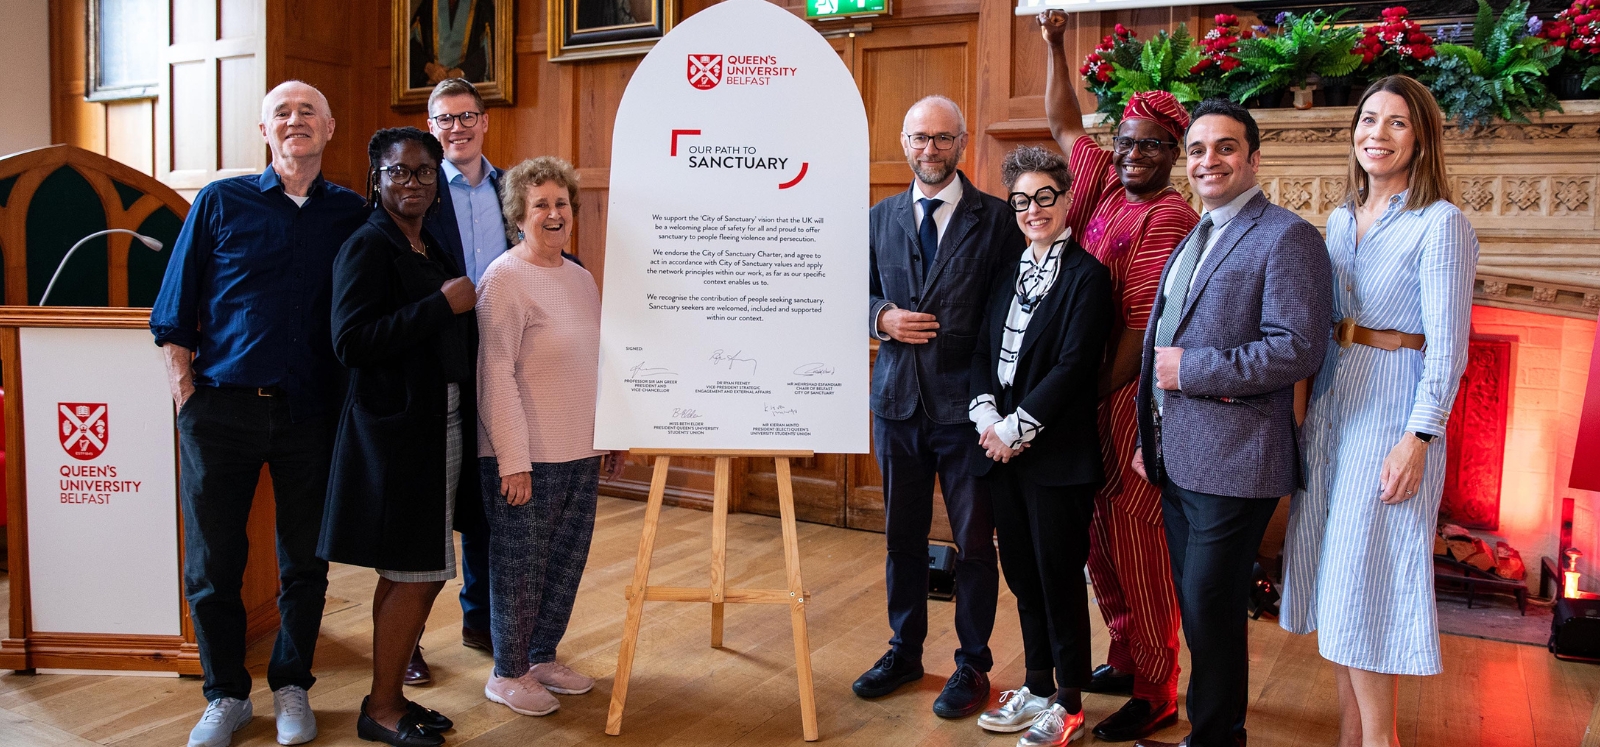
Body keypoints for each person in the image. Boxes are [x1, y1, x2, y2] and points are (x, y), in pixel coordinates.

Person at [151, 80, 367, 747]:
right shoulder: (220, 201)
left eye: (308, 111)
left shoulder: (352, 214)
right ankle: (226, 695)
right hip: (219, 409)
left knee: (305, 559)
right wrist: (186, 392)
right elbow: (174, 310)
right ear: (264, 130)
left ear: (329, 128)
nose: (295, 121)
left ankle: (292, 682)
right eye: (283, 113)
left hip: (311, 412)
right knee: (214, 561)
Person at [1279, 75, 1478, 747]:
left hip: (1393, 410)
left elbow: (1449, 349)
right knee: (1337, 585)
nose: (1377, 134)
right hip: (1336, 403)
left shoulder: (1441, 223)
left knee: (1364, 582)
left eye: (1396, 123)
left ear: (1420, 138)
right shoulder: (1338, 219)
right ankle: (1349, 736)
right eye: (1368, 119)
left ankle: (1379, 741)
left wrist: (1418, 437)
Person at [1130, 99, 1333, 747]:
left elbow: (1297, 347)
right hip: (1179, 453)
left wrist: (1192, 371)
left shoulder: (1287, 235)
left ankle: (1216, 735)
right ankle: (1218, 727)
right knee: (1198, 606)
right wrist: (1149, 433)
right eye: (1196, 149)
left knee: (1211, 604)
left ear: (1253, 158)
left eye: (1224, 147)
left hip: (1239, 459)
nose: (1207, 160)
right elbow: (1163, 336)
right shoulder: (1199, 230)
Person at [1040, 10, 1198, 741]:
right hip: (1087, 394)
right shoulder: (1104, 185)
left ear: (1173, 154)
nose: (1134, 154)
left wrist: (1073, 398)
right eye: (1128, 142)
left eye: (1152, 147)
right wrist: (1053, 43)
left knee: (1137, 542)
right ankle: (1124, 655)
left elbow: (1139, 334)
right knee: (1100, 541)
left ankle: (1158, 688)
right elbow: (1063, 120)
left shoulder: (1166, 217)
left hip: (1127, 400)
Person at [857, 94, 1023, 719]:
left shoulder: (1001, 221)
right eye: (919, 137)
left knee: (977, 543)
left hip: (969, 410)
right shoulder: (879, 217)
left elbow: (1014, 311)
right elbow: (852, 292)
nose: (930, 149)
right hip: (896, 404)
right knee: (901, 537)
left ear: (963, 143)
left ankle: (973, 664)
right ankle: (904, 651)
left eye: (943, 138)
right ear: (904, 142)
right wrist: (881, 317)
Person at [320, 126, 478, 747]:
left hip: (437, 424)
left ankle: (388, 697)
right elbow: (350, 341)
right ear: (376, 179)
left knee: (420, 568)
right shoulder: (367, 245)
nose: (411, 182)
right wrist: (440, 306)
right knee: (417, 569)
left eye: (422, 172)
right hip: (398, 435)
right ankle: (381, 709)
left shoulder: (425, 244)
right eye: (398, 172)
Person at [969, 146, 1113, 746]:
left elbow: (1077, 367)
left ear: (1065, 197)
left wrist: (1013, 430)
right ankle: (1033, 684)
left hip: (1056, 456)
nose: (1033, 210)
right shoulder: (1008, 272)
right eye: (1021, 201)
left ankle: (1070, 701)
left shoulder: (1087, 276)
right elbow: (981, 352)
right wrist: (984, 416)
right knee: (1022, 575)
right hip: (1000, 452)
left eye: (1044, 198)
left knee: (1057, 579)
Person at [475, 156, 625, 717]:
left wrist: (612, 434)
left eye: (561, 203)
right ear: (519, 214)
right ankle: (507, 670)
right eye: (541, 204)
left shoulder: (580, 277)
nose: (554, 213)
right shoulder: (504, 279)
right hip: (527, 457)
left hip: (580, 451)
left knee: (565, 560)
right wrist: (512, 460)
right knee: (520, 567)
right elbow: (495, 375)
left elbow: (597, 362)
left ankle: (541, 655)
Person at [403, 76, 504, 687]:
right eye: (444, 119)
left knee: (488, 497)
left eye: (466, 116)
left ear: (484, 121)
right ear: (431, 127)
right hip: (433, 358)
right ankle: (406, 639)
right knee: (428, 503)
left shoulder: (509, 186)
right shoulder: (413, 190)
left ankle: (482, 621)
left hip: (499, 358)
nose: (457, 128)